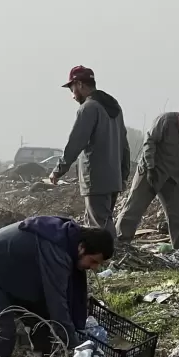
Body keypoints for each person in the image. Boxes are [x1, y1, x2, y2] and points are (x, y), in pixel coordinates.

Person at [0, 215, 114, 357]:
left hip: (9, 276)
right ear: (82, 248)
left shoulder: (65, 237)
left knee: (40, 318)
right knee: (3, 333)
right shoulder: (57, 248)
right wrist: (76, 348)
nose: (93, 268)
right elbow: (58, 303)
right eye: (93, 261)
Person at [50, 66, 130, 235]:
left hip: (96, 178)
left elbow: (75, 143)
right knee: (99, 222)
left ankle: (107, 259)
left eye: (72, 89)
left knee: (98, 228)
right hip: (113, 177)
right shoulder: (114, 107)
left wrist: (59, 170)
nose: (72, 95)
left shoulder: (89, 108)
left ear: (79, 84)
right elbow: (124, 143)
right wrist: (123, 174)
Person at [116, 101, 179, 249]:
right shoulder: (165, 121)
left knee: (178, 214)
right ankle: (120, 243)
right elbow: (150, 142)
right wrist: (150, 168)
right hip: (151, 172)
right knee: (134, 208)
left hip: (173, 176)